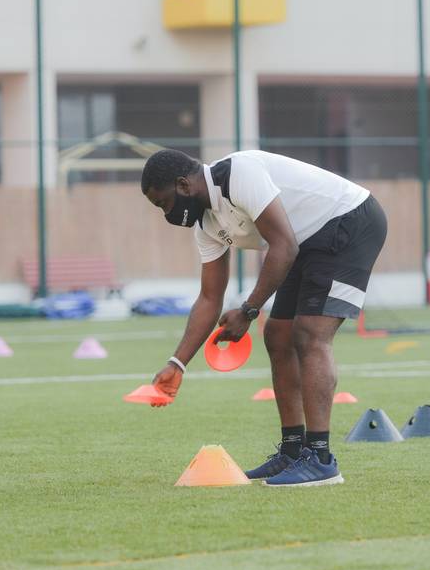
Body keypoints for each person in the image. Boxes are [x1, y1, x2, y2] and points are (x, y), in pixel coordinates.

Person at [141, 149, 387, 487]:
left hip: (349, 219)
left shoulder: (240, 173)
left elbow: (283, 246)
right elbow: (210, 297)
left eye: (163, 203)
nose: (166, 213)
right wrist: (177, 363)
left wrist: (247, 311)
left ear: (183, 185)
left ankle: (320, 459)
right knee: (278, 335)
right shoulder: (207, 225)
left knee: (309, 333)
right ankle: (292, 451)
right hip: (304, 242)